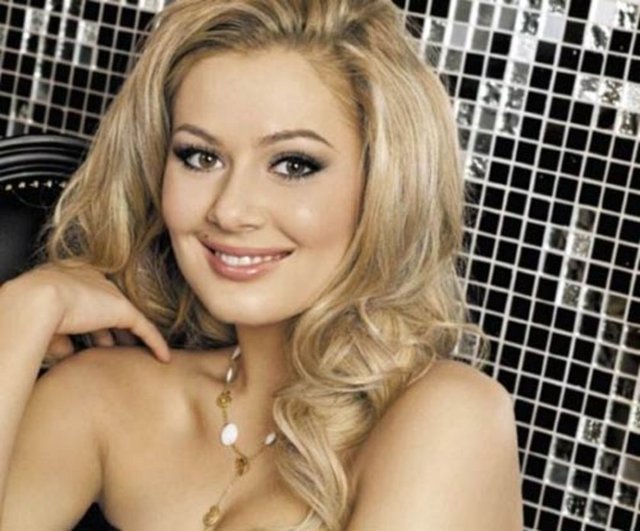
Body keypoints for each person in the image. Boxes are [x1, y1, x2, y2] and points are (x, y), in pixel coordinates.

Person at [0, 0, 523, 529]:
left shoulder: (450, 419)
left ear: (385, 187)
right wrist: (22, 310)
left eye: (293, 165)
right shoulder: (105, 399)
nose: (230, 210)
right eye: (201, 157)